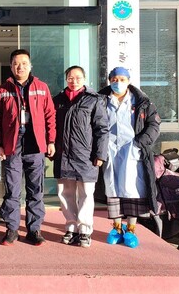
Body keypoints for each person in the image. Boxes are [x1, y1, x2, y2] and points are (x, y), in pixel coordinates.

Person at [0, 49, 56, 246]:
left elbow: (50, 115)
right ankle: (12, 229)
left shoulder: (41, 88)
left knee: (36, 190)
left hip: (36, 143)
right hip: (13, 144)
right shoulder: (2, 90)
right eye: (16, 63)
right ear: (11, 67)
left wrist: (51, 140)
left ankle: (34, 230)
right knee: (12, 190)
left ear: (30, 65)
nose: (20, 67)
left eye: (24, 63)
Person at [98, 66, 161, 248]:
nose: (118, 83)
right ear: (109, 80)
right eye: (114, 79)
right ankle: (117, 228)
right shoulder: (101, 100)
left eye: (122, 79)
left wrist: (140, 143)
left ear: (128, 81)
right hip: (110, 150)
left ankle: (131, 229)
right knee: (113, 189)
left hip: (132, 151)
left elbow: (154, 125)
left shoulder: (142, 102)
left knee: (132, 189)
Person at [53, 65, 109, 248]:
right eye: (70, 77)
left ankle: (84, 230)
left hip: (86, 156)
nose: (74, 81)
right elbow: (51, 126)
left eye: (78, 77)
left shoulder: (94, 100)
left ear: (84, 79)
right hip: (63, 155)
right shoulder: (58, 100)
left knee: (86, 194)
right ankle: (71, 227)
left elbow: (102, 129)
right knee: (65, 193)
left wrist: (100, 154)